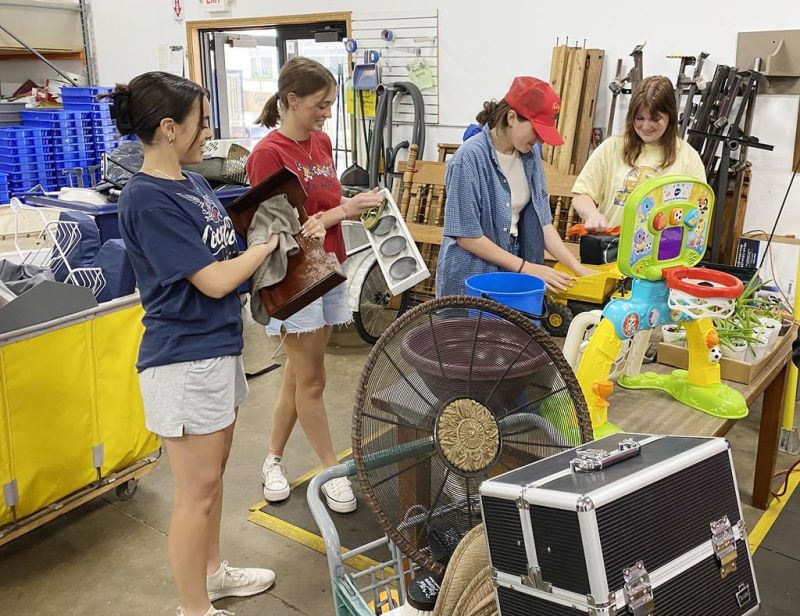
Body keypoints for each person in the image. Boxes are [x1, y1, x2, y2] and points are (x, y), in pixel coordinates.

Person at [112, 71, 324, 616]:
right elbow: (214, 279)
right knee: (195, 494)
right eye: (200, 122)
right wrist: (270, 243)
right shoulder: (147, 199)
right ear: (166, 128)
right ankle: (195, 608)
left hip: (217, 348)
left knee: (214, 478)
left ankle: (213, 575)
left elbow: (232, 247)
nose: (209, 132)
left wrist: (292, 233)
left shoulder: (194, 184)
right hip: (181, 360)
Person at [246, 57, 383, 513]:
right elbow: (277, 230)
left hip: (331, 268)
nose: (326, 113)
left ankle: (272, 460)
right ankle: (331, 470)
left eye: (329, 104)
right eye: (320, 104)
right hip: (296, 278)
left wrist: (352, 203)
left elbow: (320, 202)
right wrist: (341, 213)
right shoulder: (268, 154)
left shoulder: (321, 143)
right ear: (291, 100)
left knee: (297, 376)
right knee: (314, 381)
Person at [436, 76, 596, 298]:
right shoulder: (468, 159)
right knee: (471, 331)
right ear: (512, 117)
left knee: (512, 331)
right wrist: (528, 268)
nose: (540, 139)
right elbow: (467, 236)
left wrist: (577, 269)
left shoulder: (530, 159)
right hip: (473, 273)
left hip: (512, 265)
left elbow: (543, 223)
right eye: (536, 130)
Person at [571, 75, 706, 230]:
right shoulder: (611, 148)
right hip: (614, 247)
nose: (646, 126)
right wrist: (592, 214)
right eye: (640, 118)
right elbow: (581, 194)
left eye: (656, 119)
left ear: (670, 117)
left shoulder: (688, 157)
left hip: (665, 251)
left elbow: (700, 208)